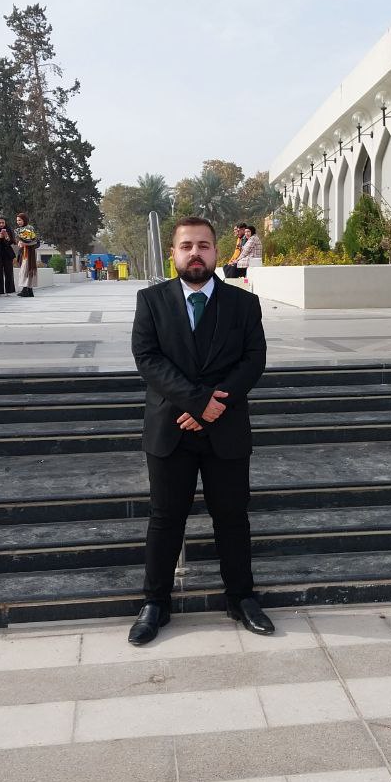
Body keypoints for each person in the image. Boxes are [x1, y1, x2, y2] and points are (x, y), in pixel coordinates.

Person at [128, 216, 274, 645]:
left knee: (232, 517)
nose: (196, 253)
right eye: (187, 246)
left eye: (204, 246)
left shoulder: (243, 303)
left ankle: (241, 598)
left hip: (225, 429)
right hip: (170, 428)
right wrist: (198, 403)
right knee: (165, 518)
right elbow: (147, 358)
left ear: (216, 252)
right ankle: (155, 602)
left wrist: (213, 407)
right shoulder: (151, 300)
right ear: (173, 253)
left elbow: (254, 359)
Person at [0, 216, 17, 295]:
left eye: (3, 223)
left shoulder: (9, 229)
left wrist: (7, 237)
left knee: (9, 272)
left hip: (7, 254)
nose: (1, 224)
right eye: (0, 223)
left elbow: (12, 241)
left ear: (5, 223)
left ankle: (10, 291)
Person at [15, 213, 39, 297]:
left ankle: (25, 290)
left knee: (25, 270)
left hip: (29, 252)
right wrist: (20, 242)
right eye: (17, 220)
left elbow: (34, 241)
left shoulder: (29, 228)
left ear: (24, 220)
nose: (18, 222)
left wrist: (24, 243)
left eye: (20, 220)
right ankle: (29, 290)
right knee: (28, 270)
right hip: (25, 252)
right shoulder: (20, 229)